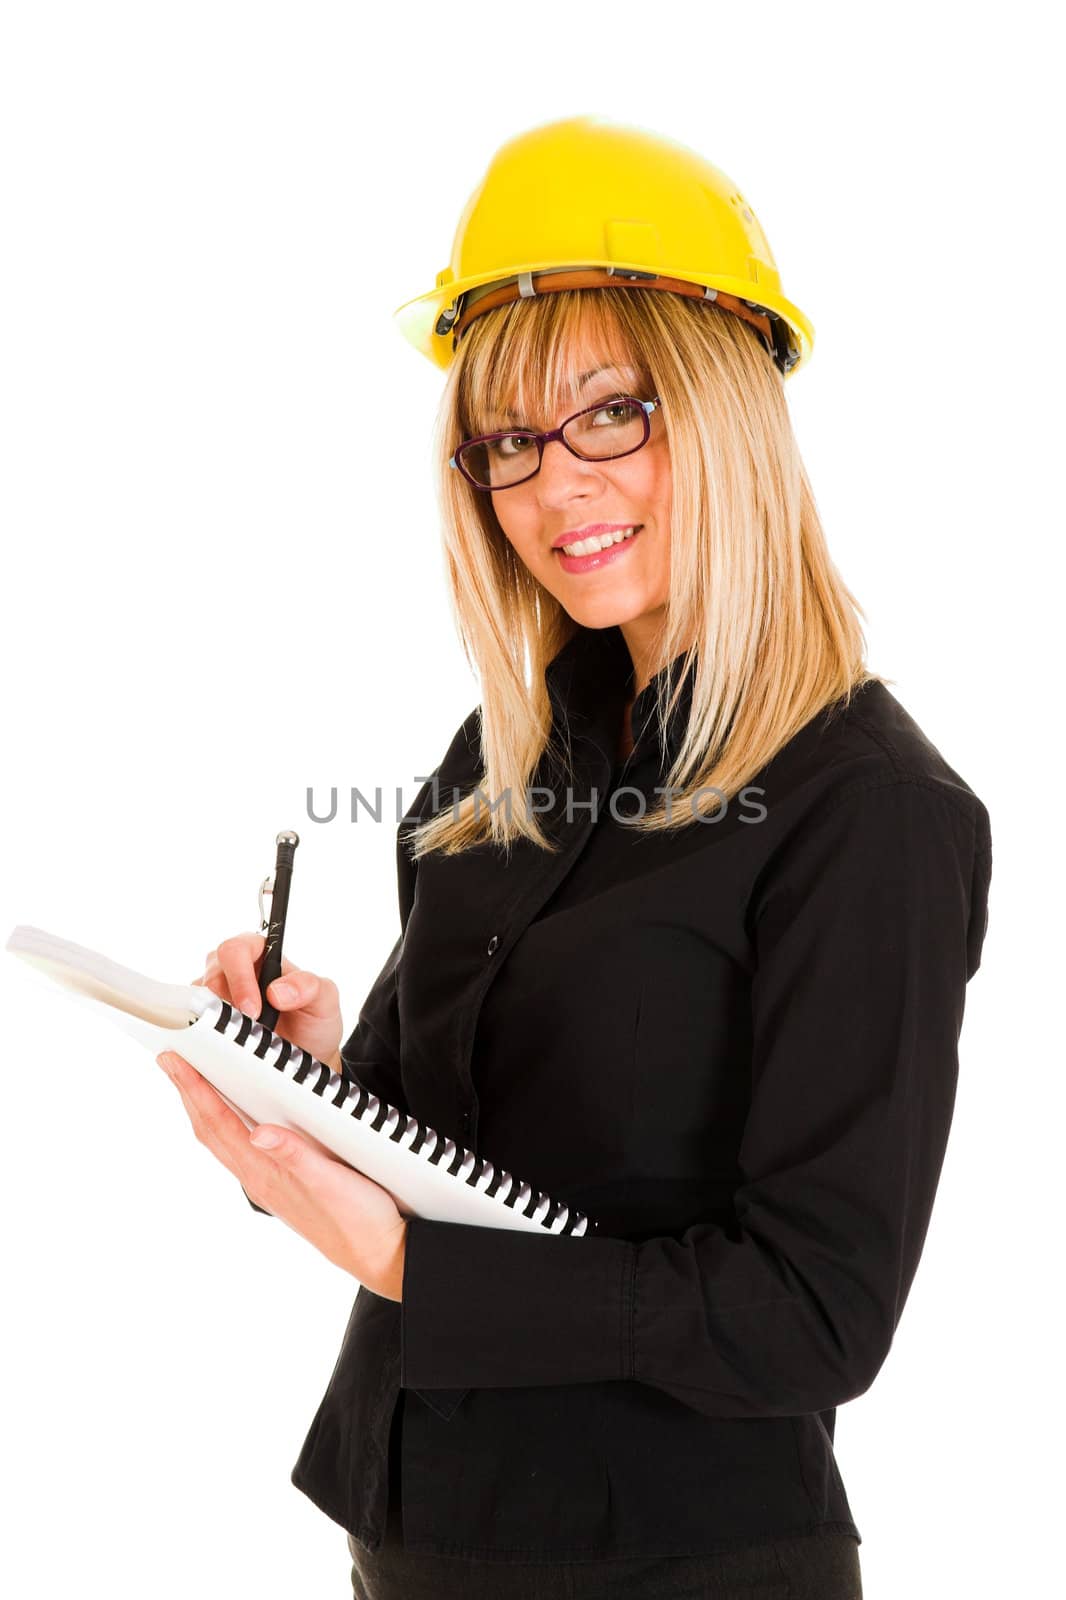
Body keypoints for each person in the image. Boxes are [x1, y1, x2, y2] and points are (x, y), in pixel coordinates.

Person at [156, 116, 993, 1598]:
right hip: (411, 1523)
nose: (552, 489)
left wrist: (416, 1268)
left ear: (726, 404)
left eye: (612, 413)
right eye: (506, 444)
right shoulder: (504, 759)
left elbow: (813, 1318)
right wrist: (317, 1085)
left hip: (671, 1560)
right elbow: (457, 1151)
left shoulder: (868, 809)